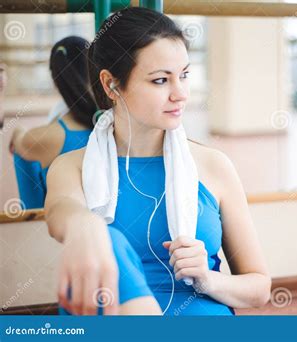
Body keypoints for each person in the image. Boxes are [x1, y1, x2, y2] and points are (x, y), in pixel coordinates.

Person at [44, 7, 271, 316]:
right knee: (107, 238)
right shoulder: (72, 167)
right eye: (161, 80)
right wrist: (86, 225)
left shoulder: (214, 166)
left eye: (185, 76)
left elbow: (259, 288)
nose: (181, 94)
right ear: (111, 85)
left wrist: (208, 280)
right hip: (114, 317)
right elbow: (60, 213)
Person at [9, 36, 96, 208]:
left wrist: (17, 130)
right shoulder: (116, 124)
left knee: (23, 154)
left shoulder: (45, 137)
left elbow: (19, 142)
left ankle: (33, 216)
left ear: (56, 81)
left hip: (62, 228)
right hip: (113, 227)